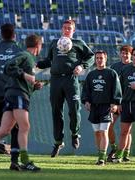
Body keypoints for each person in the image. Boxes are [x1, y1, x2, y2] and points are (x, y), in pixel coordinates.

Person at [37, 19, 94, 157]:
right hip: (56, 80)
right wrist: (38, 64)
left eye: (69, 28)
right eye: (65, 27)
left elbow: (91, 56)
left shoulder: (78, 43)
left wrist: (82, 66)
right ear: (62, 29)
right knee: (56, 111)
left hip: (70, 79)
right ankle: (58, 142)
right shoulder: (54, 43)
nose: (67, 30)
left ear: (73, 30)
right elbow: (48, 61)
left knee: (74, 109)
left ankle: (75, 133)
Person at [0, 34, 43, 171]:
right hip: (18, 95)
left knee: (4, 130)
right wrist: (25, 75)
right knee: (25, 126)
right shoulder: (25, 55)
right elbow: (9, 66)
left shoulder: (29, 59)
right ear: (38, 46)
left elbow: (19, 78)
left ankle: (21, 160)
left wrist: (34, 86)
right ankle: (25, 160)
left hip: (12, 94)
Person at [81, 50, 122, 166]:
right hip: (94, 108)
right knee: (97, 133)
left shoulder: (111, 73)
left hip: (106, 107)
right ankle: (100, 154)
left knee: (104, 131)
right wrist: (86, 101)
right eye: (97, 58)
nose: (99, 60)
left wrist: (115, 103)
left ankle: (102, 158)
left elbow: (117, 89)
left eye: (101, 58)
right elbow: (86, 91)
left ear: (106, 58)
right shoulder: (91, 74)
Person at [0, 23, 22, 170]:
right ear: (14, 35)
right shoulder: (19, 51)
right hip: (12, 95)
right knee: (15, 127)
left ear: (1, 34)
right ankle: (14, 160)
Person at [108, 45, 133, 162]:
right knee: (110, 125)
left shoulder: (130, 67)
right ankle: (114, 148)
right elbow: (116, 87)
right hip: (120, 102)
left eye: (127, 53)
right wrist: (115, 102)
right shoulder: (115, 67)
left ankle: (125, 154)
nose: (125, 55)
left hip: (127, 102)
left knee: (127, 131)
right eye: (122, 53)